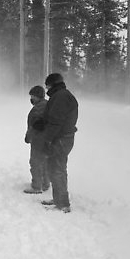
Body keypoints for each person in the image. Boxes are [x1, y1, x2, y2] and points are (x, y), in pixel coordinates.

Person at [40, 73, 78, 213]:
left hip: (60, 139)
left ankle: (63, 203)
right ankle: (58, 199)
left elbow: (56, 121)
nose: (46, 88)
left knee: (57, 170)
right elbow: (53, 117)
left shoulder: (60, 97)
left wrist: (48, 139)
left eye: (47, 85)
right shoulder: (61, 95)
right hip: (63, 137)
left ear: (52, 84)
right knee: (56, 169)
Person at [23, 85, 50, 194]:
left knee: (35, 162)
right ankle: (45, 183)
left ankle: (36, 186)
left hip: (38, 139)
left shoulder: (38, 109)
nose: (31, 98)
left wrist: (28, 137)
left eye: (32, 96)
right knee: (45, 161)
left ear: (38, 96)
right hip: (47, 139)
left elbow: (33, 126)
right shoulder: (48, 105)